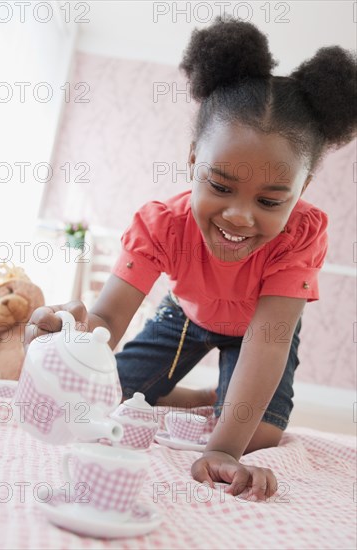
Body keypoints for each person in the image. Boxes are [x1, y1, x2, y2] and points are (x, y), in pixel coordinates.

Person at [26, 17, 356, 501]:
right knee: (114, 393)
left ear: (300, 191)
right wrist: (65, 344)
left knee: (259, 433)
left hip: (257, 328)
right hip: (187, 315)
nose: (240, 216)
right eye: (220, 187)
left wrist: (223, 449)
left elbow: (268, 342)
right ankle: (198, 398)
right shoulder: (162, 224)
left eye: (269, 202)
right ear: (192, 160)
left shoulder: (301, 236)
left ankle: (222, 404)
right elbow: (107, 318)